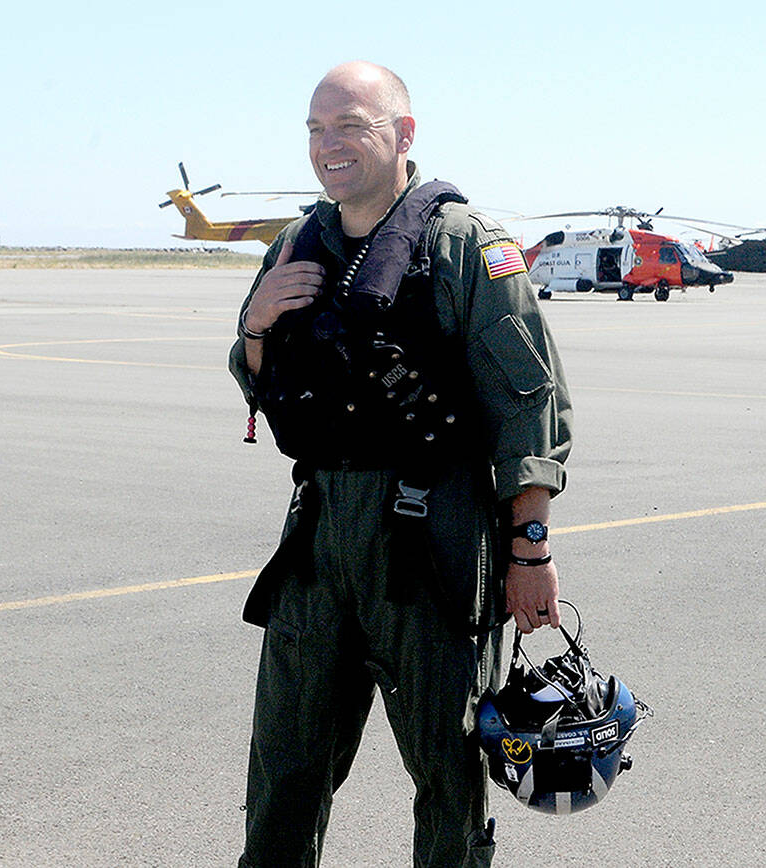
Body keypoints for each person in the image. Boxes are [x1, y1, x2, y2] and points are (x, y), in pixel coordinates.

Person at [229, 62, 573, 867]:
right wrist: (255, 321)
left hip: (433, 537)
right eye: (316, 129)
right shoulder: (296, 243)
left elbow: (528, 406)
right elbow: (254, 375)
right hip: (317, 537)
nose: (329, 145)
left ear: (404, 133)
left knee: (448, 772)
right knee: (284, 763)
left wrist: (530, 550)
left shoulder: (465, 246)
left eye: (350, 125)